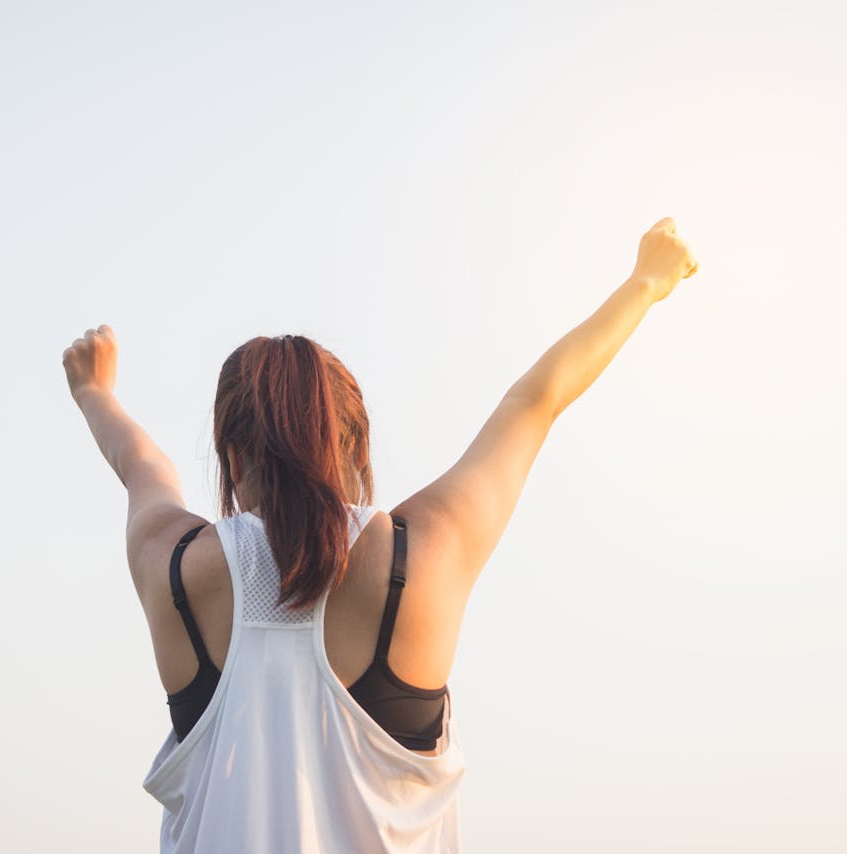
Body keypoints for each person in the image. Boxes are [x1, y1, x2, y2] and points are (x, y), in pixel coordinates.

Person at [61, 217, 700, 852]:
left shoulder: (173, 570)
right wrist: (645, 282)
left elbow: (143, 467)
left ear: (229, 458)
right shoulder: (422, 557)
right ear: (357, 447)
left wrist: (94, 390)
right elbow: (534, 401)